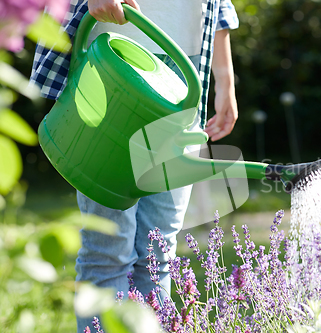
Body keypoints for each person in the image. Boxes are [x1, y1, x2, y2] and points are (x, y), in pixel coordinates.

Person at [30, 0, 239, 331]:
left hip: (184, 70)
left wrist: (225, 79)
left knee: (157, 255)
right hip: (111, 63)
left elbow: (219, 6)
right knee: (108, 250)